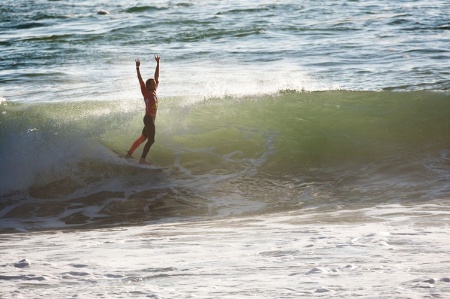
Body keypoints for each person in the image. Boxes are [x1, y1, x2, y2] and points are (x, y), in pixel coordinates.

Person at [127, 55, 160, 164]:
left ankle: (129, 153)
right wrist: (137, 68)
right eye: (153, 83)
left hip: (150, 120)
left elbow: (157, 77)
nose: (155, 84)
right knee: (151, 140)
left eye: (155, 84)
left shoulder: (154, 92)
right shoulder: (145, 92)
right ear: (148, 86)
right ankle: (142, 159)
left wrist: (158, 64)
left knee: (143, 138)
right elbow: (140, 79)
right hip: (148, 119)